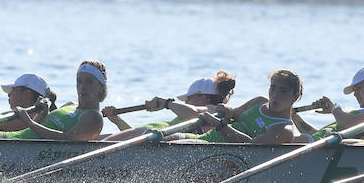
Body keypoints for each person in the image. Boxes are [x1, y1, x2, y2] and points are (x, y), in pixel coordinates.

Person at [102, 71, 254, 141]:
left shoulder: (212, 110)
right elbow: (132, 138)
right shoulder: (192, 111)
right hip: (145, 136)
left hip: (149, 135)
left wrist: (167, 103)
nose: (186, 102)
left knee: (101, 143)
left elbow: (194, 114)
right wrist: (117, 120)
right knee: (98, 139)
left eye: (189, 98)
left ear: (203, 98)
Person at [0, 61, 108, 141]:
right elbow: (47, 124)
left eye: (89, 82)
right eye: (79, 81)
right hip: (14, 138)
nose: (82, 87)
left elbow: (67, 140)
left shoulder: (93, 117)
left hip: (20, 145)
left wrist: (29, 122)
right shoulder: (70, 105)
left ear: (101, 87)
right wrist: (43, 113)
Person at [184, 70, 306, 144]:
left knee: (172, 143)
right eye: (273, 88)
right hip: (204, 140)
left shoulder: (284, 130)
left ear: (295, 97)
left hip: (216, 152)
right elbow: (234, 113)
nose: (275, 95)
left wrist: (219, 125)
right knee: (169, 140)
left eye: (283, 91)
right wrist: (226, 110)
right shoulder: (259, 101)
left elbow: (251, 146)